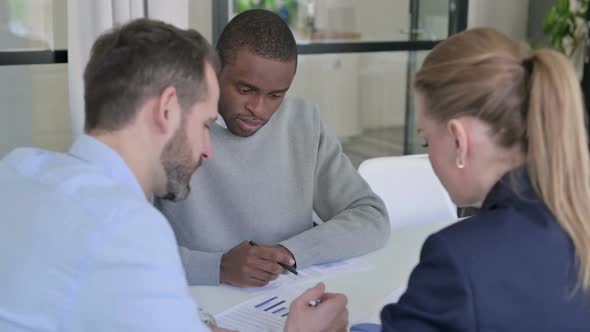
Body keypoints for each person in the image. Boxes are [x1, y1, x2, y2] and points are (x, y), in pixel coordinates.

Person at [0, 19, 348, 332]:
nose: (208, 149)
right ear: (167, 110)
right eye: (204, 125)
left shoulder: (17, 170)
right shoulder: (129, 229)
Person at [157, 9, 390, 288]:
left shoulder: (304, 122)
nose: (258, 109)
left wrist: (289, 254)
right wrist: (217, 267)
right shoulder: (168, 127)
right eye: (245, 90)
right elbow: (125, 251)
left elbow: (370, 215)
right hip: (199, 303)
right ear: (215, 70)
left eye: (275, 95)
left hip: (285, 298)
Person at [380, 28, 590, 330]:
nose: (430, 158)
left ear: (458, 140)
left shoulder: (458, 260)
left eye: (427, 141)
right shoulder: (575, 220)